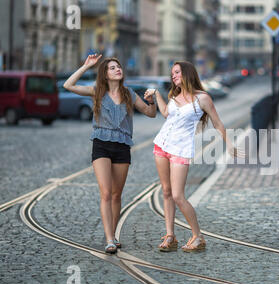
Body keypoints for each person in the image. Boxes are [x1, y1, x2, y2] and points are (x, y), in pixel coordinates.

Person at [64, 54, 157, 254]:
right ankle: (109, 239)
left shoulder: (129, 94)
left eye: (118, 67)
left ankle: (113, 234)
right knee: (106, 193)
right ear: (105, 74)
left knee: (116, 195)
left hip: (122, 146)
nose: (117, 69)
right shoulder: (97, 91)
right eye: (112, 68)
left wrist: (152, 101)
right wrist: (86, 66)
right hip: (101, 145)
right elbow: (68, 85)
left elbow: (151, 113)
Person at [144, 61, 240, 252]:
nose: (173, 76)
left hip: (180, 150)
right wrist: (155, 94)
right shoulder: (173, 96)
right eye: (172, 74)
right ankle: (170, 236)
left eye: (177, 72)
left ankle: (198, 236)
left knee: (178, 195)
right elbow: (165, 113)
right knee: (166, 192)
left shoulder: (202, 98)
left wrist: (229, 143)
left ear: (187, 73)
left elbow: (217, 122)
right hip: (161, 145)